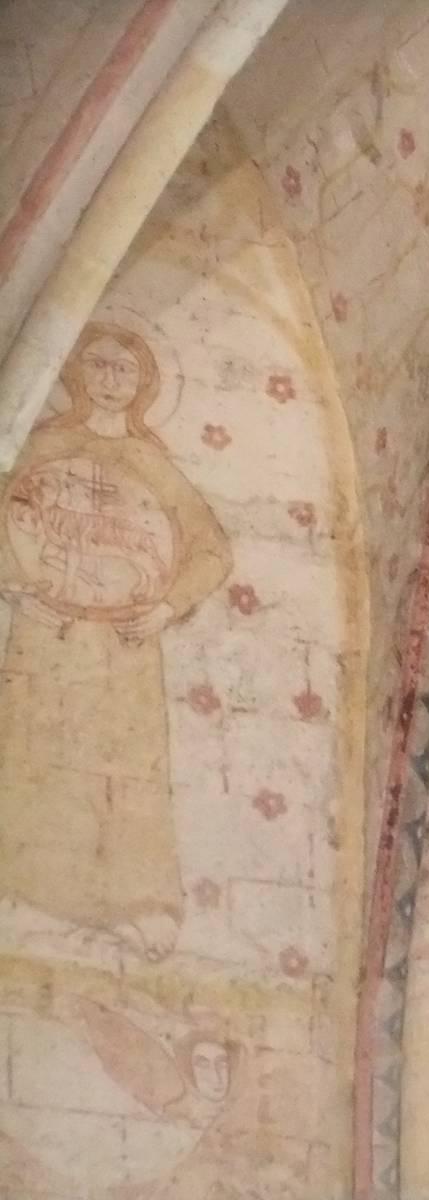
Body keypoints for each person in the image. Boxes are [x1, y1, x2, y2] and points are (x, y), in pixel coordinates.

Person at [0, 322, 232, 960]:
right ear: (75, 372)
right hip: (46, 634)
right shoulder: (41, 444)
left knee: (126, 772)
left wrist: (167, 606)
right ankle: (29, 893)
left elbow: (212, 549)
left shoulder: (152, 464)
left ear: (143, 384)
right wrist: (12, 584)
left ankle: (134, 903)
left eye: (124, 370)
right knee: (34, 754)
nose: (110, 380)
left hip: (126, 647)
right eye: (98, 365)